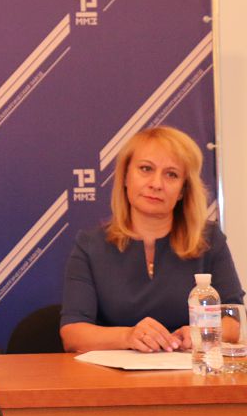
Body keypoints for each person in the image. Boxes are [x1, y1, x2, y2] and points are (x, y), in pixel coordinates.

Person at [60, 125, 244, 353]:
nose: (156, 184)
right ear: (125, 177)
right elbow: (73, 334)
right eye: (146, 169)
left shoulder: (209, 240)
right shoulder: (90, 245)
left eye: (171, 174)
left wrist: (201, 333)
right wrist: (128, 336)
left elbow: (233, 321)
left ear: (182, 190)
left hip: (188, 370)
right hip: (112, 373)